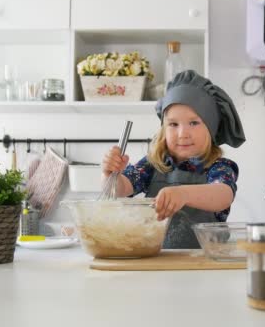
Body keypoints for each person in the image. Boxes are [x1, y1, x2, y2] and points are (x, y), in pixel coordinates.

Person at [101, 70, 246, 249]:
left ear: (211, 128)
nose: (183, 134)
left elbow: (223, 195)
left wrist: (183, 194)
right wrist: (110, 175)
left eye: (194, 123)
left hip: (205, 265)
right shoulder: (152, 165)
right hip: (158, 261)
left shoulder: (219, 167)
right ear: (163, 128)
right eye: (173, 124)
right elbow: (121, 189)